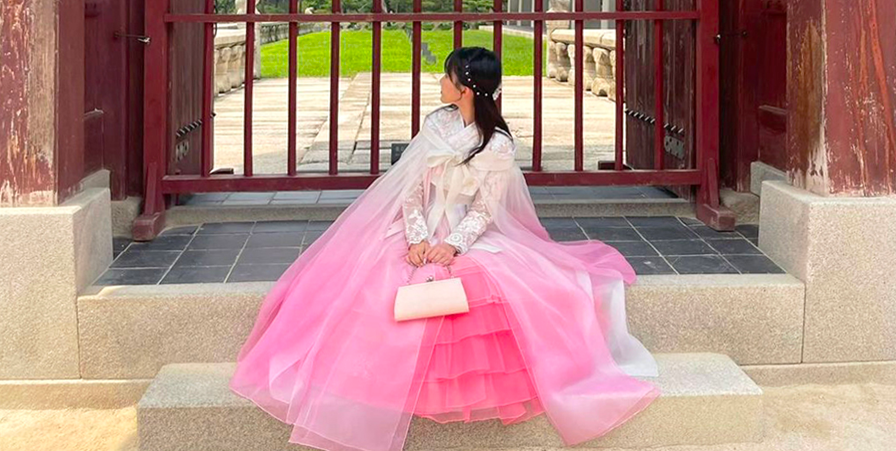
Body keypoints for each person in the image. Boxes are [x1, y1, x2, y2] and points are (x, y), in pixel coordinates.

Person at [229, 47, 660, 451]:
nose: (441, 81)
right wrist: (417, 237)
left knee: (481, 285)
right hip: (419, 226)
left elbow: (485, 208)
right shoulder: (436, 124)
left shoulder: (498, 145)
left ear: (466, 88)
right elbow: (412, 192)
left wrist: (452, 244)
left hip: (465, 232)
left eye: (447, 76)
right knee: (375, 277)